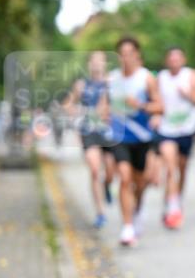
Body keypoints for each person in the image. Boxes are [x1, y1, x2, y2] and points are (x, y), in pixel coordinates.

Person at [107, 37, 163, 247]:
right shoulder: (111, 80)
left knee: (140, 182)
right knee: (124, 178)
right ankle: (127, 227)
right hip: (119, 137)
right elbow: (104, 107)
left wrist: (140, 105)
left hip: (142, 138)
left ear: (137, 55)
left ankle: (137, 208)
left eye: (130, 53)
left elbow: (160, 107)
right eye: (122, 53)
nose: (126, 58)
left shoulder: (146, 78)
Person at [64, 51, 116, 228]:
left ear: (105, 64)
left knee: (110, 171)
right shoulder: (81, 85)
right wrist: (75, 112)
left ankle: (107, 185)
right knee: (95, 170)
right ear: (88, 64)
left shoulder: (112, 82)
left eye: (100, 61)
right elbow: (69, 104)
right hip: (88, 131)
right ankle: (100, 213)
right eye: (93, 61)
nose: (96, 64)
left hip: (108, 132)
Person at [157, 46, 195, 229]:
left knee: (182, 170)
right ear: (167, 61)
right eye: (171, 59)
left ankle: (176, 200)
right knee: (170, 168)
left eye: (178, 59)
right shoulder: (161, 78)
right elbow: (156, 101)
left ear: (183, 60)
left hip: (187, 129)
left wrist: (188, 94)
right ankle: (172, 207)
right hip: (166, 129)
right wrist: (155, 114)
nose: (175, 62)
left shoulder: (191, 76)